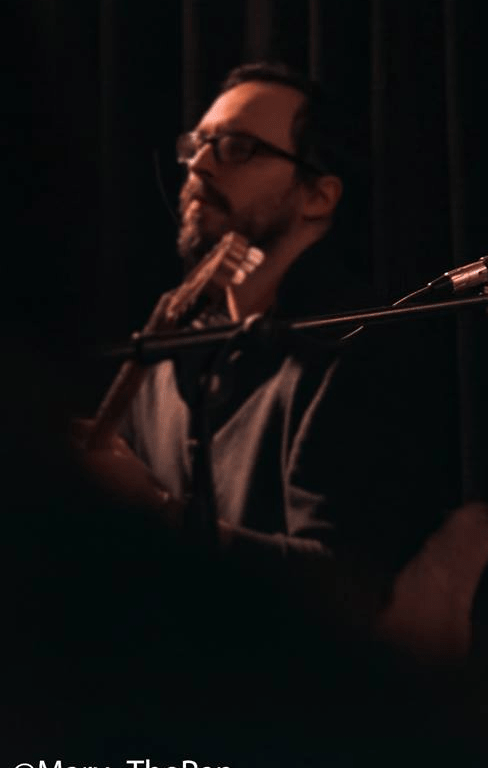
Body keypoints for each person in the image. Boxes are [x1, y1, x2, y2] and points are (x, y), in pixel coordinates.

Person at [75, 62, 459, 629]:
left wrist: (155, 511)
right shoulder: (168, 344)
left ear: (318, 196)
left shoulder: (355, 349)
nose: (199, 164)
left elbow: (342, 586)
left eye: (236, 148)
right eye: (198, 145)